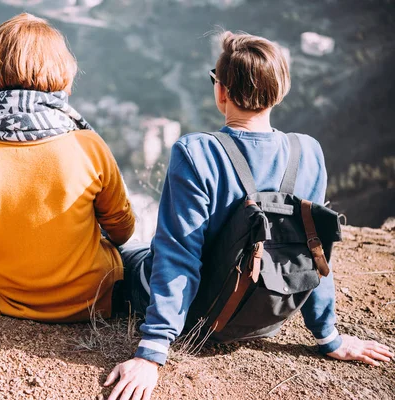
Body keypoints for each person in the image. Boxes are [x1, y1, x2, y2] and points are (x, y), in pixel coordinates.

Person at [104, 32, 393, 400]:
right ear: (281, 90)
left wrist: (152, 352)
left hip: (202, 317)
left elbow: (179, 256)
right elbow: (315, 252)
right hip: (267, 313)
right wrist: (328, 337)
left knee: (126, 256)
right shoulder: (308, 152)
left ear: (221, 91)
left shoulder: (197, 153)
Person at [0, 13, 135, 324]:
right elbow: (123, 229)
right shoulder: (87, 145)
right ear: (62, 69)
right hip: (89, 301)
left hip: (6, 300)